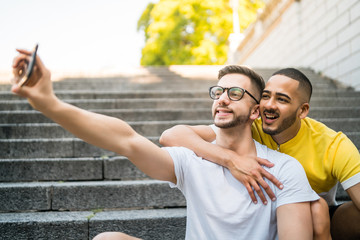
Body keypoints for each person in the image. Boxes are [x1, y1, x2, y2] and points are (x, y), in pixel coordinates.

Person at [11, 50, 319, 239]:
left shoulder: (282, 168)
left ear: (255, 111)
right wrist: (49, 103)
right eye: (218, 92)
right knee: (108, 239)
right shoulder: (191, 160)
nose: (223, 99)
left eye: (235, 93)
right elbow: (126, 140)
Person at [160, 67, 360, 240]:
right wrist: (231, 160)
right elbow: (172, 136)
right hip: (269, 211)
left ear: (302, 110)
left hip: (320, 219)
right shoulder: (251, 123)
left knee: (319, 209)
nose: (268, 106)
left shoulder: (334, 145)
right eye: (265, 96)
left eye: (281, 99)